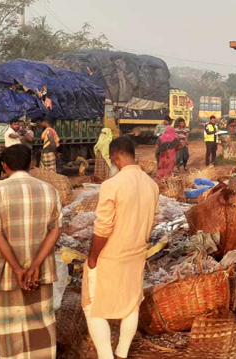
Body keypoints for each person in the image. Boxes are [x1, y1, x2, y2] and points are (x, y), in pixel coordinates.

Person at [0, 145, 62, 359]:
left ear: (4, 165)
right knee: (42, 321)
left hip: (9, 271)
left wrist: (18, 268)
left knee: (11, 328)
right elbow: (55, 231)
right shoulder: (49, 190)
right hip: (40, 271)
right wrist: (35, 265)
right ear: (31, 164)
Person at [83, 137, 159, 359]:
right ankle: (122, 353)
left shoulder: (111, 185)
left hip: (110, 256)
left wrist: (93, 257)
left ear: (115, 155)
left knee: (93, 307)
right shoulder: (151, 184)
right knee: (130, 306)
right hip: (136, 253)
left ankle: (106, 356)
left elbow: (103, 228)